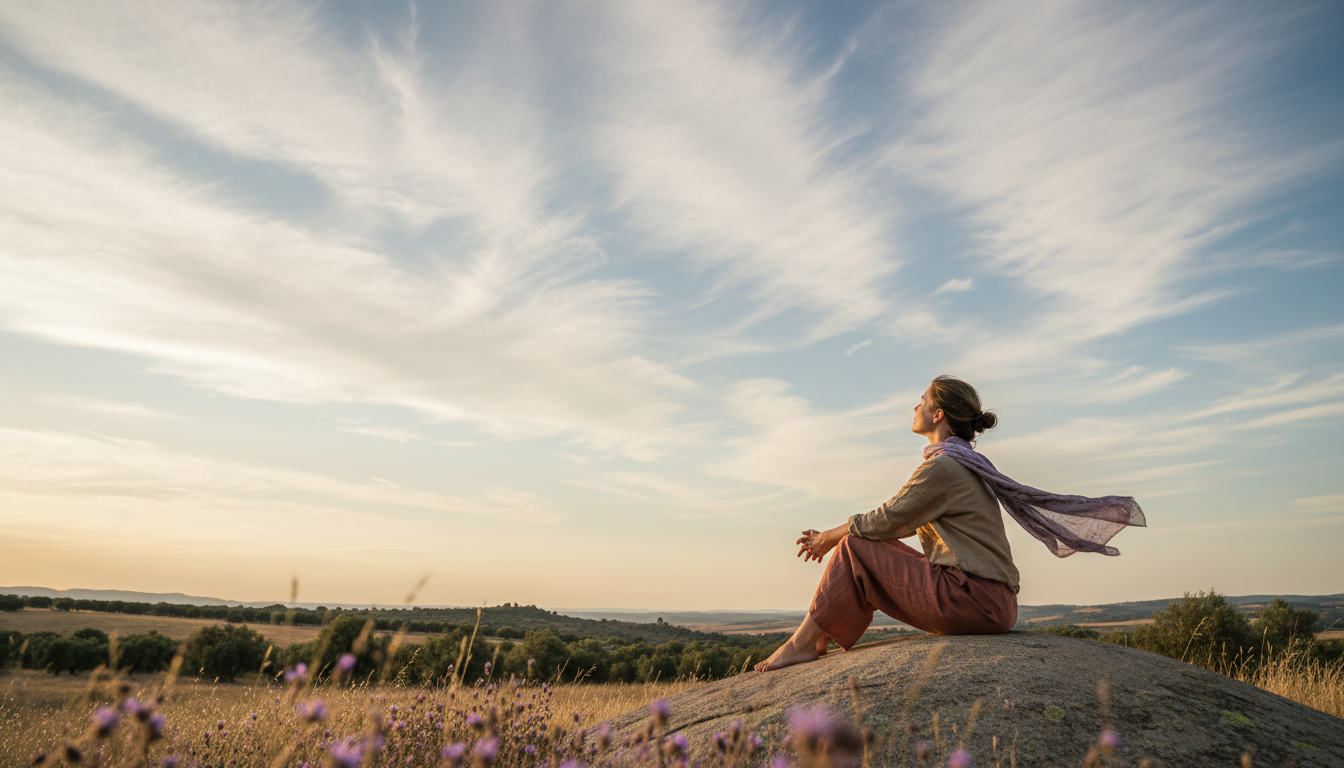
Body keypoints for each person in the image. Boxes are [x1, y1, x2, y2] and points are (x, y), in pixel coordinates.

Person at [754, 375, 1145, 673]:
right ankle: (820, 633)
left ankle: (803, 643)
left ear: (938, 414)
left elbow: (889, 517)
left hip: (972, 600)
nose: (915, 406)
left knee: (854, 546)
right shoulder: (960, 462)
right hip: (993, 603)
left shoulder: (944, 466)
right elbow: (899, 526)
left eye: (922, 401)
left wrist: (829, 536)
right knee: (865, 545)